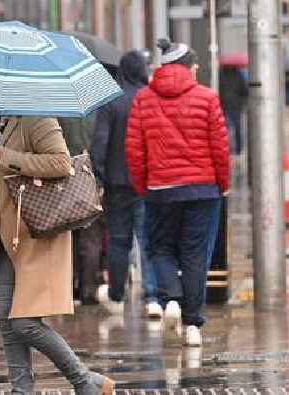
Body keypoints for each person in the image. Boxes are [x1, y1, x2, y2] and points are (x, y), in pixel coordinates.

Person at [0, 116, 114, 394]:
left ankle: (84, 382)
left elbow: (61, 163)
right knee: (6, 321)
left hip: (36, 235)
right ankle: (23, 390)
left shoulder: (37, 119)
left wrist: (8, 157)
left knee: (24, 322)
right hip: (7, 240)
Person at [125, 39, 230, 347]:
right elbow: (220, 149)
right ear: (188, 67)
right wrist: (221, 184)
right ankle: (193, 325)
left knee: (160, 248)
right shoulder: (207, 98)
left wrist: (144, 187)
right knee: (196, 254)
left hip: (160, 190)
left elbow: (134, 151)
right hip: (203, 190)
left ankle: (171, 298)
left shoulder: (143, 100)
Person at [91, 50, 161, 318]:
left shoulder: (111, 100)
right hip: (147, 182)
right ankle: (152, 296)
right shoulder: (150, 98)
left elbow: (100, 141)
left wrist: (98, 175)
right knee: (147, 240)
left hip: (117, 183)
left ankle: (117, 295)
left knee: (119, 241)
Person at [58, 112, 103, 305]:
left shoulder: (60, 113)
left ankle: (69, 289)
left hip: (65, 178)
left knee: (68, 236)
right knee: (91, 238)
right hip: (91, 178)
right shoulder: (98, 113)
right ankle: (89, 290)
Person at [219, 65, 249, 155]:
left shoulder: (220, 74)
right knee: (236, 129)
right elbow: (245, 91)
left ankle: (229, 149)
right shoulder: (238, 74)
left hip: (226, 106)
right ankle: (238, 151)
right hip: (234, 107)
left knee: (225, 129)